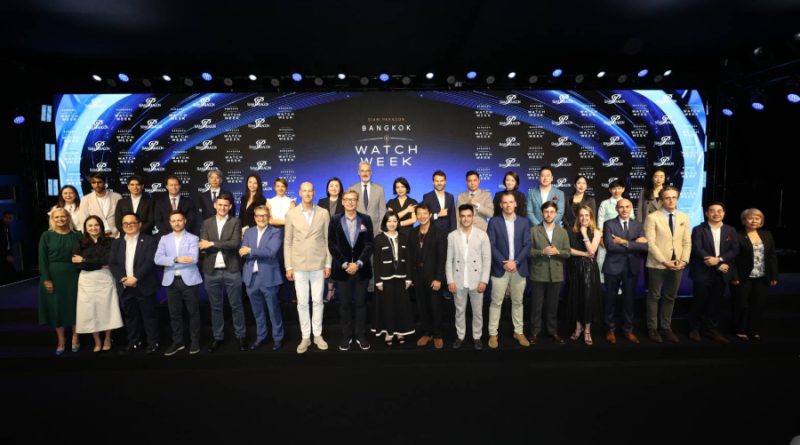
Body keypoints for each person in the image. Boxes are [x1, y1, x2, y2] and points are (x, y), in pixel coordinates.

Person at [285, 182, 333, 354]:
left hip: (318, 264)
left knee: (318, 301)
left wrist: (328, 263)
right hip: (298, 265)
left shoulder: (323, 213)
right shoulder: (291, 214)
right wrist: (289, 266)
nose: (307, 194)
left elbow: (328, 240)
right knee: (302, 303)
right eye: (304, 191)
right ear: (299, 193)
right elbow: (288, 242)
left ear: (314, 192)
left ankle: (317, 335)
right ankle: (305, 337)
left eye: (310, 191)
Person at [199, 193, 246, 352]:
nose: (223, 208)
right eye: (220, 205)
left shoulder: (235, 222)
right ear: (215, 205)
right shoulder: (206, 223)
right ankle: (218, 337)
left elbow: (234, 243)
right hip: (211, 271)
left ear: (230, 207)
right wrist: (218, 244)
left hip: (231, 269)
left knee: (236, 305)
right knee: (215, 307)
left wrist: (212, 243)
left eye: (226, 205)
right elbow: (203, 245)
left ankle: (241, 336)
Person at [644, 186, 691, 343]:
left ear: (677, 199)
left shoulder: (684, 217)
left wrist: (684, 260)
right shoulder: (652, 217)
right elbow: (650, 243)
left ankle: (666, 328)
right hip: (658, 264)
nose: (671, 200)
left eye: (674, 197)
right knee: (654, 296)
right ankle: (652, 328)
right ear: (661, 200)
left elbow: (687, 242)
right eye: (667, 198)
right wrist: (664, 261)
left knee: (670, 296)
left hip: (677, 264)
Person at [109, 212, 160, 355]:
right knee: (130, 317)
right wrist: (123, 279)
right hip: (125, 286)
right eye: (125, 223)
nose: (129, 226)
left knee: (149, 316)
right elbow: (113, 263)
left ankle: (153, 343)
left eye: (132, 223)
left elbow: (149, 261)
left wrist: (135, 278)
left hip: (144, 285)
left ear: (139, 224)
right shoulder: (117, 242)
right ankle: (134, 343)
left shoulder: (149, 241)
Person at [329, 189, 374, 351]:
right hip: (343, 271)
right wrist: (345, 264)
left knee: (361, 305)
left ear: (357, 201)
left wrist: (359, 263)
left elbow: (369, 244)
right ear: (342, 202)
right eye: (347, 199)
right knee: (345, 306)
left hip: (362, 270)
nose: (350, 202)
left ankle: (361, 335)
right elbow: (332, 245)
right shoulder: (335, 220)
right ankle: (346, 336)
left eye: (353, 199)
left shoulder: (366, 219)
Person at [688, 202, 739, 343]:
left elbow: (734, 250)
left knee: (715, 303)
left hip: (721, 272)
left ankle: (711, 330)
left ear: (724, 213)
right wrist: (717, 263)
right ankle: (694, 329)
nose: (716, 213)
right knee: (699, 301)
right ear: (707, 213)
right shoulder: (698, 229)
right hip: (702, 271)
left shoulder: (731, 230)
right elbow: (697, 249)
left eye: (719, 211)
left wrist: (720, 260)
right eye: (712, 211)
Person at [487, 191, 532, 349]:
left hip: (519, 268)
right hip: (500, 268)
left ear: (516, 204)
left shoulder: (524, 222)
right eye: (505, 202)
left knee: (518, 302)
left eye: (511, 202)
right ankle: (493, 334)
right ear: (500, 205)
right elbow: (491, 245)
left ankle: (518, 332)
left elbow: (528, 244)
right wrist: (504, 262)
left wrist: (516, 262)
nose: (508, 205)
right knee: (496, 302)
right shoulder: (494, 222)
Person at [154, 210, 202, 356]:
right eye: (174, 221)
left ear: (185, 221)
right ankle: (178, 342)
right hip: (171, 282)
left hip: (189, 281)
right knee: (174, 314)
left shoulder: (193, 238)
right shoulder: (164, 239)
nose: (177, 223)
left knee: (193, 312)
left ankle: (195, 341)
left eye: (179, 220)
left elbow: (193, 259)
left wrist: (169, 260)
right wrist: (176, 259)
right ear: (170, 223)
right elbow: (157, 259)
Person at [72, 215, 123, 352]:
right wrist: (97, 263)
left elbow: (108, 260)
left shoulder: (110, 241)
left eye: (96, 225)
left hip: (105, 278)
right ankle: (97, 341)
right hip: (86, 280)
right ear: (85, 228)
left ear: (101, 226)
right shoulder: (79, 242)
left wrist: (84, 260)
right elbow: (76, 264)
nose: (93, 228)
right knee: (90, 311)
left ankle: (107, 338)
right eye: (90, 225)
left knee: (107, 309)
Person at [602, 198, 648, 344]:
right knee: (610, 300)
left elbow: (644, 247)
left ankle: (628, 330)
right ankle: (610, 329)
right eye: (621, 207)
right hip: (612, 267)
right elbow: (610, 246)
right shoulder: (609, 224)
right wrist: (634, 244)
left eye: (627, 207)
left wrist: (623, 242)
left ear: (631, 208)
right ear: (617, 209)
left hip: (631, 267)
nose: (624, 210)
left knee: (629, 301)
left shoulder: (638, 225)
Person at [446, 204, 491, 350]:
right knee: (459, 311)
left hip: (477, 280)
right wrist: (450, 280)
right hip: (458, 280)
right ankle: (460, 336)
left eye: (468, 216)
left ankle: (477, 337)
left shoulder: (482, 235)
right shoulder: (452, 236)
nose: (465, 219)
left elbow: (487, 259)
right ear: (459, 217)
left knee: (478, 312)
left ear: (473, 217)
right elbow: (449, 260)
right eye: (463, 216)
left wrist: (484, 280)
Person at [38, 208, 82, 355]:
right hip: (53, 276)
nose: (60, 219)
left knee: (75, 307)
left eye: (63, 216)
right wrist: (46, 279)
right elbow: (42, 259)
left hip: (74, 275)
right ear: (52, 219)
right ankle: (61, 340)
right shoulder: (46, 236)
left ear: (68, 217)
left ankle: (75, 337)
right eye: (56, 217)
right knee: (56, 308)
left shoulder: (78, 235)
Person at [240, 205, 284, 350]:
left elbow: (271, 252)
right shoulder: (249, 232)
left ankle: (278, 338)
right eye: (258, 215)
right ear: (254, 218)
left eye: (264, 215)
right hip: (251, 278)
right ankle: (261, 337)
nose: (261, 218)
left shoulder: (276, 232)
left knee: (273, 311)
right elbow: (242, 251)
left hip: (269, 278)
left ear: (269, 217)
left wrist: (250, 250)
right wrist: (251, 251)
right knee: (257, 312)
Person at [731, 208, 778, 341]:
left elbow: (772, 256)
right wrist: (734, 276)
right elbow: (732, 259)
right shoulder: (737, 235)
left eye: (757, 218)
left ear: (761, 221)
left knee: (758, 304)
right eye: (750, 218)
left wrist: (774, 276)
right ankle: (740, 330)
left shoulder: (767, 234)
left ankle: (753, 330)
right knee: (742, 304)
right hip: (743, 277)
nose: (754, 221)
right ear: (744, 220)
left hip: (762, 276)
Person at [529, 201, 570, 344]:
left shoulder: (562, 232)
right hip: (538, 273)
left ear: (556, 214)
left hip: (556, 274)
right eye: (546, 212)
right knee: (536, 306)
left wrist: (558, 252)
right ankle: (534, 332)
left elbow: (567, 253)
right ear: (542, 213)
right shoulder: (534, 230)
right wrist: (541, 252)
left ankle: (553, 331)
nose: (549, 214)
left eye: (552, 212)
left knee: (553, 306)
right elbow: (528, 251)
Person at [372, 212, 415, 346]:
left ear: (398, 223)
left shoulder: (404, 237)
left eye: (395, 221)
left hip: (401, 278)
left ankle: (400, 331)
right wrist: (378, 280)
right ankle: (389, 332)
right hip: (385, 279)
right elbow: (376, 261)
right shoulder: (379, 238)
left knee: (401, 306)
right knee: (388, 306)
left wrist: (409, 278)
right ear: (385, 223)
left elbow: (409, 259)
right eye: (389, 221)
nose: (392, 224)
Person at [409, 203, 448, 349]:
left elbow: (442, 257)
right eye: (419, 214)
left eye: (425, 213)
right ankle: (427, 333)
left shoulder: (439, 232)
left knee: (435, 307)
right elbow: (410, 257)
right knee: (422, 306)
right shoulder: (412, 233)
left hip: (433, 277)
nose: (422, 216)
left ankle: (437, 335)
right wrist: (411, 277)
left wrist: (438, 278)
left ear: (430, 214)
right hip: (418, 277)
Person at [565, 205, 603, 346]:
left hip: (589, 269)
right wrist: (584, 254)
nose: (584, 218)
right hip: (575, 267)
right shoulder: (571, 231)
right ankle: (578, 327)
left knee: (588, 298)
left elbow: (592, 251)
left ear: (591, 217)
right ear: (578, 217)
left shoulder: (597, 232)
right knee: (576, 297)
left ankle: (587, 330)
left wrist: (584, 234)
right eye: (581, 215)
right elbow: (568, 250)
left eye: (587, 215)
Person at [596, 180, 633, 283]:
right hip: (606, 237)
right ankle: (601, 283)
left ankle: (619, 284)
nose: (616, 191)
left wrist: (627, 238)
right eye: (614, 188)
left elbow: (631, 220)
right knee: (601, 260)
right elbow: (600, 221)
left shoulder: (627, 203)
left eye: (619, 188)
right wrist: (601, 237)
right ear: (610, 190)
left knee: (621, 261)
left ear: (623, 189)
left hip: (622, 237)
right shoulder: (605, 203)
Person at [317, 177, 344, 301]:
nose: (334, 188)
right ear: (327, 188)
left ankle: (340, 291)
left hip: (340, 239)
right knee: (327, 264)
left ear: (340, 188)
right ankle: (330, 291)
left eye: (336, 186)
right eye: (331, 185)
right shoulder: (321, 202)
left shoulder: (344, 201)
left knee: (338, 264)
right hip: (324, 238)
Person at [348, 161, 386, 235]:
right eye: (362, 171)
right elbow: (349, 210)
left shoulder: (379, 189)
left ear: (371, 172)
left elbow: (383, 211)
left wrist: (381, 229)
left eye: (367, 171)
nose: (365, 173)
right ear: (358, 173)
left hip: (375, 231)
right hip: (356, 230)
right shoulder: (352, 189)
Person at [0, 211, 15, 283]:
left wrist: (10, 253)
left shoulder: (7, 226)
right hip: (2, 257)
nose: (9, 220)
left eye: (10, 218)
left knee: (11, 276)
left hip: (7, 255)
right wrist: (6, 255)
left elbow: (8, 241)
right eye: (7, 218)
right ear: (3, 217)